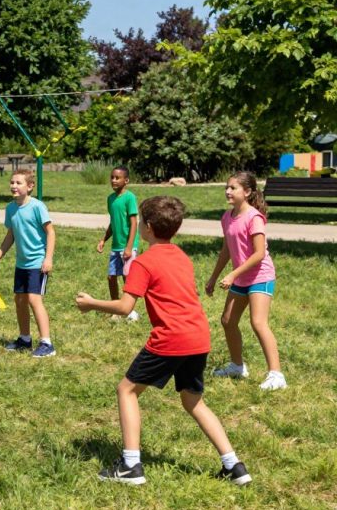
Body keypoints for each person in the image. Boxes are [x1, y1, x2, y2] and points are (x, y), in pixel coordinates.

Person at [75, 196, 252, 487]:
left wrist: (92, 303)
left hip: (171, 338)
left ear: (146, 227)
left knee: (126, 390)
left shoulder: (143, 263)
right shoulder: (182, 256)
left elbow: (125, 307)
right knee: (193, 401)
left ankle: (131, 466)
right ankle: (234, 466)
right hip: (198, 336)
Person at [205, 172, 286, 391]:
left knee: (258, 323)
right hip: (241, 278)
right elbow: (226, 250)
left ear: (247, 192)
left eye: (233, 188)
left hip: (260, 277)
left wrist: (232, 275)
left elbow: (259, 254)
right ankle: (237, 366)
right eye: (227, 187)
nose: (228, 191)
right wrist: (213, 277)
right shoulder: (227, 217)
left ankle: (276, 374)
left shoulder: (254, 217)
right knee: (228, 321)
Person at [0, 169, 57, 358]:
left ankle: (46, 343)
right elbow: (11, 235)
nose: (14, 186)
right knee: (19, 300)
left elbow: (50, 232)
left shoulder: (37, 207)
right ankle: (25, 339)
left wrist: (48, 258)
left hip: (37, 262)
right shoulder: (10, 208)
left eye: (18, 183)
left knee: (34, 300)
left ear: (30, 186)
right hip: (22, 264)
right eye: (12, 182)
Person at [97, 166, 140, 321]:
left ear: (126, 180)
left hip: (128, 246)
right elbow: (113, 223)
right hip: (116, 246)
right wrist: (103, 239)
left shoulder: (130, 198)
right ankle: (116, 308)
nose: (114, 180)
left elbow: (134, 223)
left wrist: (129, 247)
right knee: (111, 277)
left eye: (118, 178)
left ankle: (130, 311)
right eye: (112, 177)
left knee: (127, 279)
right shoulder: (110, 199)